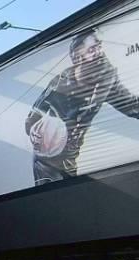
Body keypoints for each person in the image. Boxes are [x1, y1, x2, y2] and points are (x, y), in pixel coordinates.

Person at [25, 29, 139, 185]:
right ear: (77, 57)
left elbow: (132, 106)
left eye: (99, 46)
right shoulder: (59, 83)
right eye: (91, 50)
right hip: (47, 161)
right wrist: (36, 131)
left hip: (70, 159)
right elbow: (33, 117)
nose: (98, 53)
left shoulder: (106, 79)